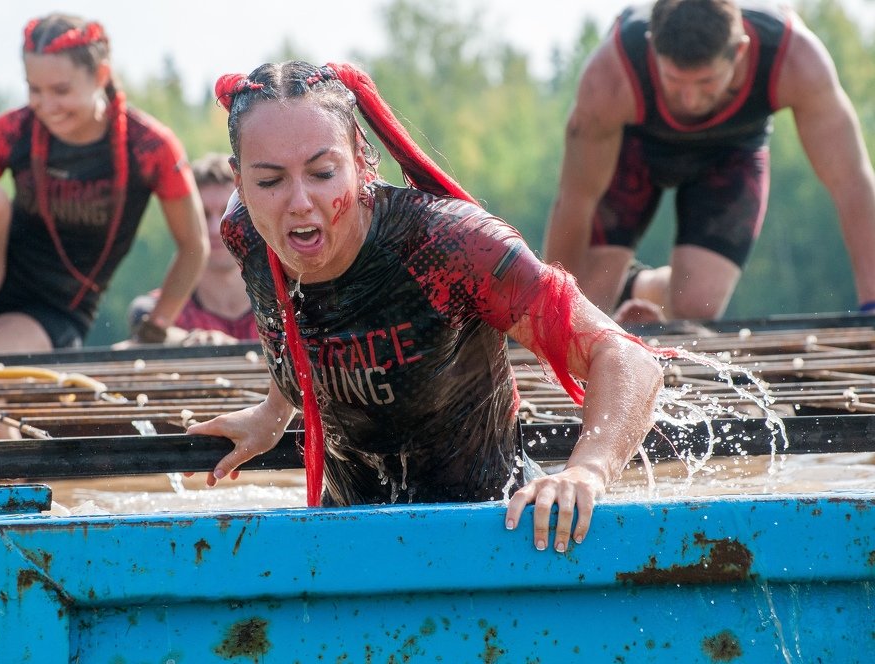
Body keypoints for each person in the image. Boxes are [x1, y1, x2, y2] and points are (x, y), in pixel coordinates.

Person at [186, 60, 664, 554]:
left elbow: (627, 357)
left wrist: (588, 468)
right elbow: (296, 319)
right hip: (347, 541)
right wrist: (272, 412)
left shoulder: (448, 246)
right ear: (239, 182)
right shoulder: (246, 234)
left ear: (361, 159)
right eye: (270, 182)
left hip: (498, 534)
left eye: (323, 173)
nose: (299, 202)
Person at [0, 13, 207, 361]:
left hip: (52, 312)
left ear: (100, 75)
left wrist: (155, 328)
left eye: (61, 90)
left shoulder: (149, 146)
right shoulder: (13, 129)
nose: (46, 106)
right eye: (35, 90)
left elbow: (193, 245)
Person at [543, 0, 875, 322]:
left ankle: (637, 290)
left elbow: (851, 183)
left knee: (696, 307)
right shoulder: (610, 75)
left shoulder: (795, 59)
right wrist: (551, 314)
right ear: (652, 48)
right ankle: (614, 290)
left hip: (730, 154)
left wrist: (872, 303)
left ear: (740, 52)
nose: (689, 101)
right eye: (673, 81)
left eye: (706, 82)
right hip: (633, 154)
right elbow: (575, 200)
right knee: (588, 299)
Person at [126, 152, 256, 346]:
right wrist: (191, 340)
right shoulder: (158, 309)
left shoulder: (288, 307)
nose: (215, 229)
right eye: (204, 215)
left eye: (229, 213)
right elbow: (146, 325)